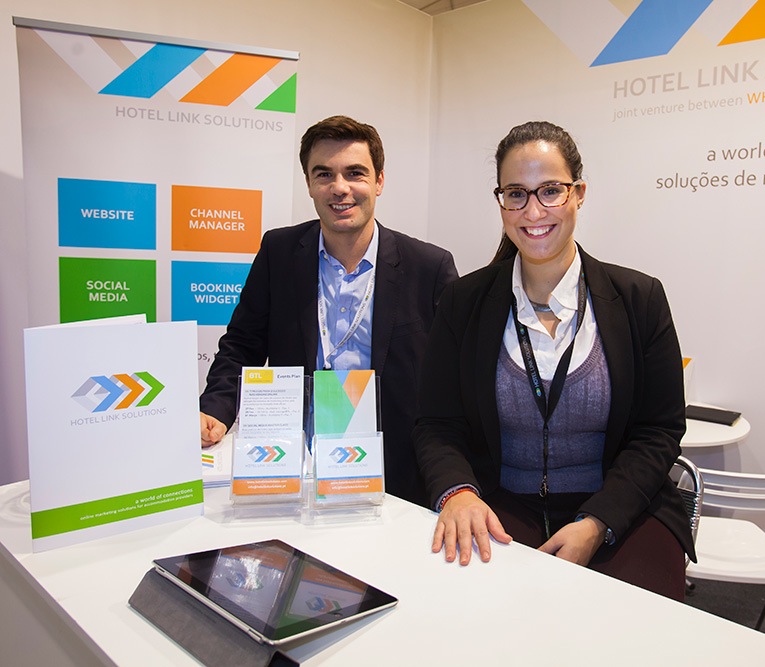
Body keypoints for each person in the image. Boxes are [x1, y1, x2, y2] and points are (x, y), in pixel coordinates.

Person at [413, 121, 694, 600]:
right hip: (500, 504)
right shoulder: (464, 301)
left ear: (578, 193)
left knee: (633, 622)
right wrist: (457, 492)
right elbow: (436, 423)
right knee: (480, 611)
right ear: (501, 201)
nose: (533, 211)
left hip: (620, 507)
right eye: (516, 194)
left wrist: (598, 521)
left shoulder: (639, 298)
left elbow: (659, 430)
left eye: (550, 191)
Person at [200, 115, 458, 505]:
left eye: (355, 173)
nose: (340, 188)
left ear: (379, 181)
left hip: (395, 470)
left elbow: (452, 377)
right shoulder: (279, 252)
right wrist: (215, 409)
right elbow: (242, 344)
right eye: (324, 174)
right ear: (308, 183)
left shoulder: (429, 266)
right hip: (294, 460)